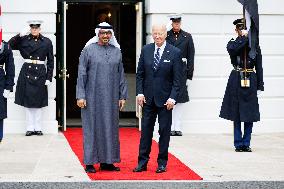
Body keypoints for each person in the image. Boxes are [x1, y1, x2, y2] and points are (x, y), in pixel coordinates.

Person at [76, 22, 128, 173]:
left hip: (111, 98)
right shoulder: (88, 50)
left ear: (111, 35)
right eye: (103, 33)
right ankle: (90, 162)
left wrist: (122, 96)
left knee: (110, 128)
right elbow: (81, 74)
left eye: (108, 33)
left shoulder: (116, 51)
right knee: (91, 128)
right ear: (98, 34)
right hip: (91, 98)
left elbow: (121, 75)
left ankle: (108, 162)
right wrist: (80, 95)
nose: (106, 35)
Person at [134, 24, 182, 173]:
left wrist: (173, 98)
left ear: (165, 34)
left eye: (160, 33)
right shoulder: (146, 50)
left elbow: (177, 80)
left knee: (164, 133)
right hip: (147, 100)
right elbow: (140, 74)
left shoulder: (175, 52)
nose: (157, 36)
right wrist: (140, 93)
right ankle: (142, 162)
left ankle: (162, 163)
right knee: (146, 133)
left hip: (165, 101)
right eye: (155, 33)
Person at [219, 18, 264, 152]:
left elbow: (259, 66)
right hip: (237, 78)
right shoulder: (233, 43)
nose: (242, 31)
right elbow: (233, 50)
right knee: (237, 113)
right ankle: (238, 143)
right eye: (240, 29)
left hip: (250, 78)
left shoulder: (255, 45)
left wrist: (260, 85)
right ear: (236, 30)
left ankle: (247, 142)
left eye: (244, 29)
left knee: (249, 113)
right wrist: (244, 38)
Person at [8, 20, 54, 136]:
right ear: (29, 29)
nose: (34, 30)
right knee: (27, 102)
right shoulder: (23, 40)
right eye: (32, 28)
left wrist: (49, 77)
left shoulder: (47, 42)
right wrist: (19, 35)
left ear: (40, 29)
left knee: (38, 102)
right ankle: (29, 127)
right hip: (27, 71)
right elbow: (9, 45)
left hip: (40, 73)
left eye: (36, 28)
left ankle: (38, 127)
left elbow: (50, 61)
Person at [166, 14, 195, 136]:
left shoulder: (187, 37)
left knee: (181, 99)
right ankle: (170, 126)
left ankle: (177, 126)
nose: (176, 24)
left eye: (178, 22)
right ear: (171, 23)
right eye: (174, 22)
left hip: (182, 71)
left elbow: (191, 57)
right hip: (168, 70)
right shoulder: (166, 35)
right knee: (169, 98)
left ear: (180, 23)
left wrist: (189, 75)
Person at [0, 40, 15, 143]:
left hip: (0, 79)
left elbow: (10, 67)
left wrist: (8, 86)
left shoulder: (5, 46)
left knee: (0, 109)